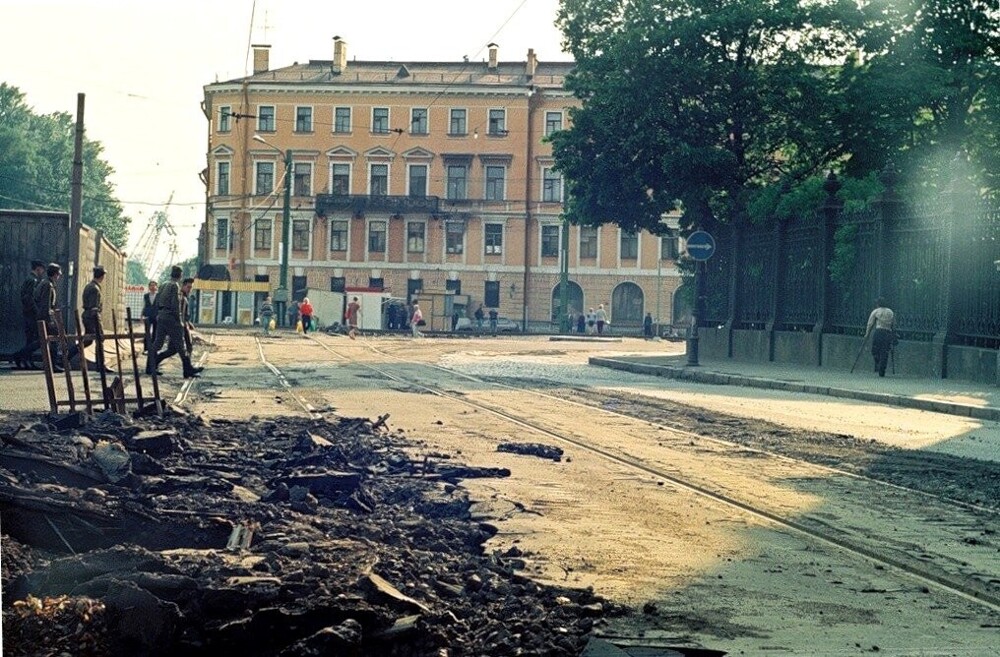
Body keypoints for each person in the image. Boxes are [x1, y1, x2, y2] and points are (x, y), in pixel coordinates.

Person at [147, 266, 201, 378]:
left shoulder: (163, 284)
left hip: (161, 316)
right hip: (171, 318)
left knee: (157, 343)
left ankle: (150, 367)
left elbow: (157, 301)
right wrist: (179, 320)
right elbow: (175, 304)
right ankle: (188, 370)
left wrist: (159, 314)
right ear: (180, 275)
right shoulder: (174, 286)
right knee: (181, 346)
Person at [34, 263, 77, 373]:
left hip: (45, 315)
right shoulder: (48, 285)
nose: (59, 276)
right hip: (47, 317)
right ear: (55, 274)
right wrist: (50, 321)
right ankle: (52, 364)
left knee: (45, 340)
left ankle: (50, 363)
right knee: (54, 339)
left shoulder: (46, 283)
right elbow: (45, 304)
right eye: (58, 274)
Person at [11, 260, 46, 369]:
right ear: (38, 268)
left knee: (30, 339)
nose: (43, 272)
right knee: (34, 339)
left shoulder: (29, 279)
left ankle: (26, 361)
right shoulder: (33, 280)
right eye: (42, 269)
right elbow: (29, 298)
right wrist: (37, 311)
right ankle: (20, 356)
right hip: (31, 314)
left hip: (28, 313)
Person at [81, 266, 110, 373]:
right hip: (92, 316)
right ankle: (100, 365)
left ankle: (68, 356)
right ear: (102, 276)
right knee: (100, 338)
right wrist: (98, 323)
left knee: (88, 340)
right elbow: (94, 308)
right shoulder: (95, 288)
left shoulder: (89, 286)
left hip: (87, 315)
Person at [864, 297, 895, 377]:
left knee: (875, 350)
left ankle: (878, 363)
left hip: (879, 332)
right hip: (888, 332)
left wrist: (867, 334)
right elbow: (894, 323)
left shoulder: (876, 311)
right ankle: (882, 368)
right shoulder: (890, 312)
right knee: (885, 352)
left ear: (878, 304)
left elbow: (870, 324)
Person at [141, 280, 158, 353]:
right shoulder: (146, 296)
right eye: (151, 285)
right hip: (147, 315)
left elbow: (160, 306)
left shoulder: (159, 296)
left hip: (156, 316)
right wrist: (141, 316)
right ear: (149, 287)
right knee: (147, 332)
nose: (152, 287)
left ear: (156, 287)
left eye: (154, 285)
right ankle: (146, 349)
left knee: (155, 333)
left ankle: (153, 349)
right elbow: (143, 306)